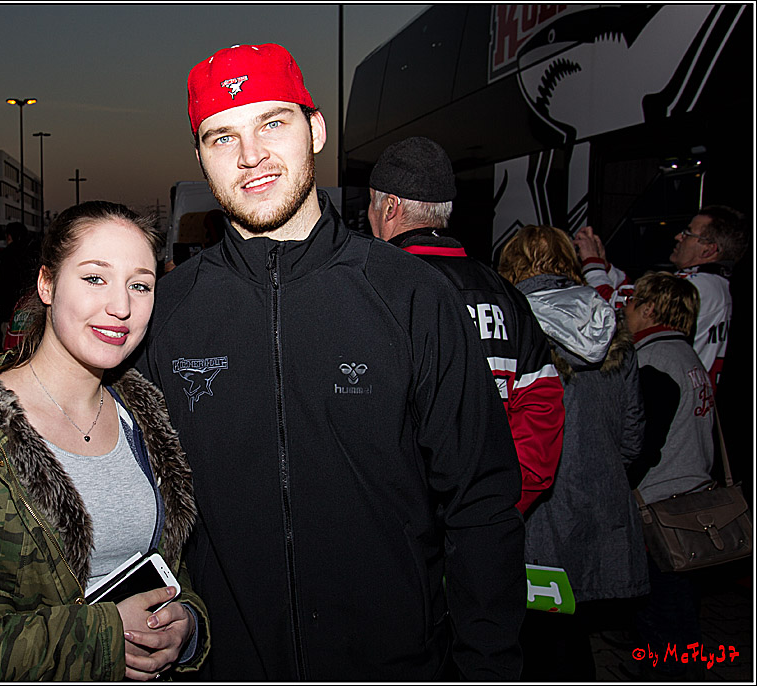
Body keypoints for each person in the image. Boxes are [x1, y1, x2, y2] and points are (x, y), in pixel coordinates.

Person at [135, 43, 525, 680]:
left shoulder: (412, 296)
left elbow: (481, 503)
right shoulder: (166, 313)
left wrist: (488, 665)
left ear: (315, 130)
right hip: (224, 667)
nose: (251, 155)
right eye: (221, 136)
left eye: (273, 123)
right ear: (201, 158)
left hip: (394, 664)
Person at [0, 202, 209, 680]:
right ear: (46, 284)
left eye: (140, 285)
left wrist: (185, 624)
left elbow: (165, 567)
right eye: (95, 278)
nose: (122, 306)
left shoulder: (145, 420)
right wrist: (105, 635)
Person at [367, 136, 565, 513]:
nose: (369, 216)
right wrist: (495, 503)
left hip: (398, 523)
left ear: (390, 207)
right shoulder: (507, 296)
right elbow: (542, 405)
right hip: (485, 518)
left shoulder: (374, 290)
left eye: (372, 204)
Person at [497, 224, 649, 680]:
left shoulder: (511, 324)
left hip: (533, 511)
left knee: (529, 641)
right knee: (573, 642)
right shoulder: (610, 324)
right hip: (600, 510)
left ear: (512, 266)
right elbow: (632, 437)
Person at [621, 270, 714, 680]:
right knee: (681, 618)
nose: (626, 307)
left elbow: (643, 445)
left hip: (663, 515)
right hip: (692, 503)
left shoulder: (655, 361)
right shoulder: (687, 356)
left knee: (665, 625)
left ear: (651, 308)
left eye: (634, 301)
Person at [573, 205, 746, 390]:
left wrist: (591, 262)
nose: (678, 237)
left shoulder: (696, 287)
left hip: (670, 393)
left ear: (708, 250)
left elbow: (616, 308)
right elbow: (636, 292)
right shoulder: (713, 283)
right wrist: (605, 266)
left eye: (688, 233)